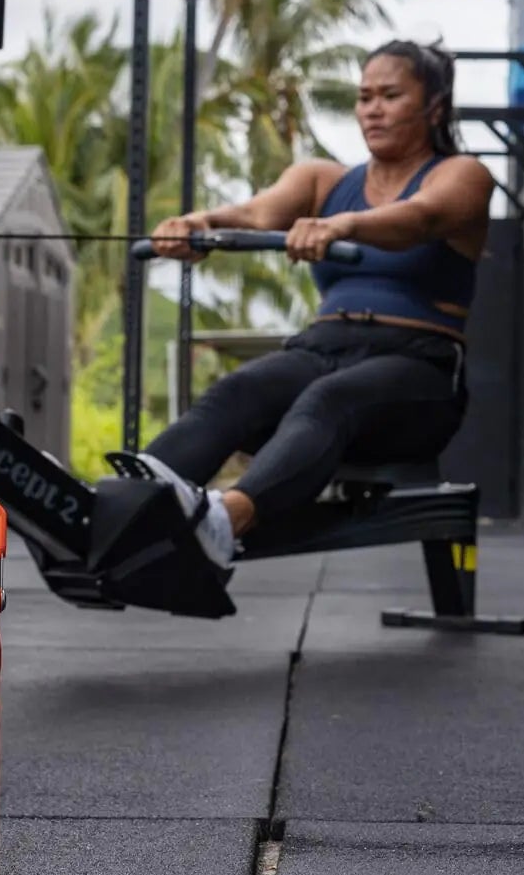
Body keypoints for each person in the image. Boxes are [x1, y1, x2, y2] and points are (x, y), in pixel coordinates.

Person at [128, 39, 495, 568]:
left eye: (390, 95)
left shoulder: (461, 175)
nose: (372, 108)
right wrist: (200, 225)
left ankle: (222, 525)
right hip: (323, 346)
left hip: (418, 370)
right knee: (237, 391)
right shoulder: (324, 180)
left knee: (328, 400)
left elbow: (421, 219)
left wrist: (342, 225)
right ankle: (120, 506)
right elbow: (256, 215)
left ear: (433, 106)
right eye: (365, 96)